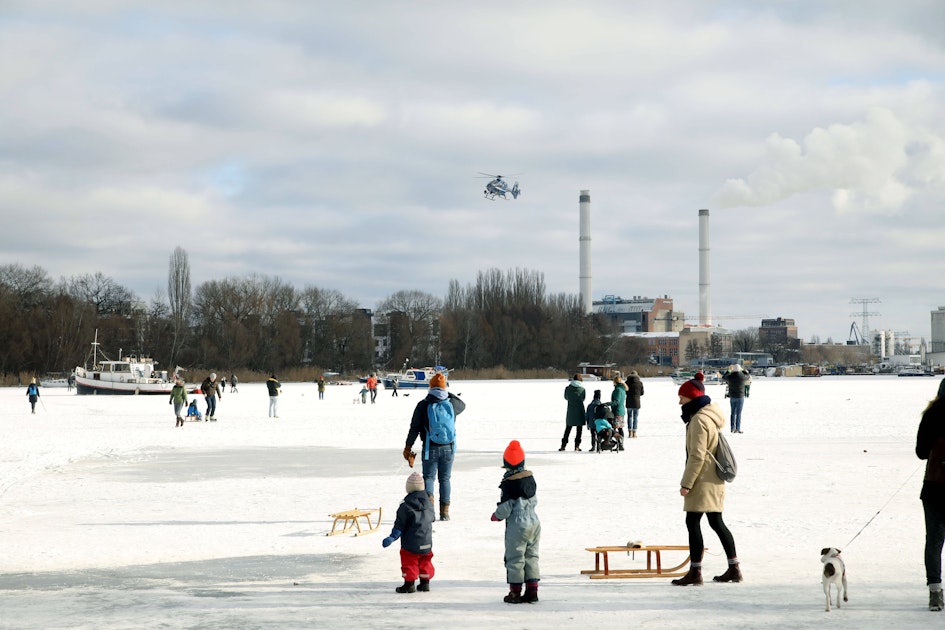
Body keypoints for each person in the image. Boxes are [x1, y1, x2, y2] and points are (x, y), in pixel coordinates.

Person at [672, 373, 741, 586]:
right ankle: (734, 568)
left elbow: (697, 455)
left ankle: (695, 572)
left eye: (682, 397)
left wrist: (686, 483)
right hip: (713, 479)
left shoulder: (698, 420)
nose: (679, 401)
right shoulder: (708, 416)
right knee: (716, 522)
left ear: (691, 397)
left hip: (702, 480)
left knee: (693, 522)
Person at [403, 373, 466, 522]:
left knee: (429, 478)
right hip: (449, 447)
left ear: (430, 386)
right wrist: (445, 391)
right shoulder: (451, 403)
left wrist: (408, 447)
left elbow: (414, 428)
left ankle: (429, 513)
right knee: (445, 479)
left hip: (430, 447)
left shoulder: (424, 404)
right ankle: (445, 513)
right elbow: (462, 404)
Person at [491, 440, 541, 604]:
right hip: (534, 521)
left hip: (518, 525)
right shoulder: (530, 478)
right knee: (531, 555)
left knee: (515, 557)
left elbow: (506, 507)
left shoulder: (509, 483)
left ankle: (515, 592)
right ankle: (532, 590)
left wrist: (497, 515)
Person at [916, 378, 945, 612]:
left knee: (934, 541)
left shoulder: (931, 415)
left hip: (935, 487)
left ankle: (935, 593)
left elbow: (921, 453)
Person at [382, 471, 435, 593]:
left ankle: (409, 584)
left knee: (409, 561)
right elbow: (432, 518)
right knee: (425, 561)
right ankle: (425, 583)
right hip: (427, 543)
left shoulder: (405, 507)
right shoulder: (429, 505)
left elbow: (399, 526)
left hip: (411, 545)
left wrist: (391, 537)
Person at [560, 374, 586, 451]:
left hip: (571, 410)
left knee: (568, 428)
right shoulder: (582, 389)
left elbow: (565, 397)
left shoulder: (568, 388)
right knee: (579, 429)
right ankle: (577, 446)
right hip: (580, 410)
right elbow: (583, 398)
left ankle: (563, 446)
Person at [723, 364, 751, 433]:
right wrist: (743, 370)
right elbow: (748, 375)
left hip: (732, 396)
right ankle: (738, 428)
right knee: (739, 413)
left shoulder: (730, 376)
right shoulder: (742, 376)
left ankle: (732, 428)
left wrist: (729, 370)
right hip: (740, 396)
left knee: (733, 413)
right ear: (739, 369)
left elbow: (724, 377)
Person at [610, 376, 628, 449]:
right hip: (621, 411)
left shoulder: (617, 390)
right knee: (620, 428)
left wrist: (608, 403)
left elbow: (616, 402)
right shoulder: (622, 389)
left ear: (614, 382)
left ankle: (619, 444)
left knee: (614, 428)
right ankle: (620, 444)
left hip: (617, 411)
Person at [626, 370, 645, 438]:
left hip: (628, 402)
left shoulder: (626, 382)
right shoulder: (640, 383)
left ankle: (629, 432)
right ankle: (634, 432)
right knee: (635, 417)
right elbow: (642, 393)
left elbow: (625, 392)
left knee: (629, 417)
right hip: (637, 402)